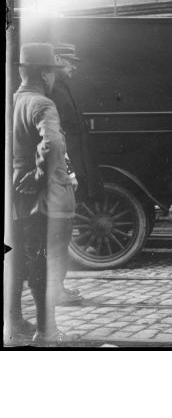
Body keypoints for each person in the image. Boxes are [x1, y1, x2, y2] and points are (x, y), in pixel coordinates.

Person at [5, 43, 76, 345]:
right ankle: (46, 330)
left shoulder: (12, 102)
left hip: (14, 194)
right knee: (41, 260)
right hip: (38, 198)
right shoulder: (43, 104)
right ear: (44, 73)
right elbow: (52, 145)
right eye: (53, 72)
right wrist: (37, 177)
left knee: (16, 259)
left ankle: (15, 323)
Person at [49, 43, 104, 306]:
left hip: (71, 166)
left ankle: (56, 287)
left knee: (62, 230)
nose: (73, 67)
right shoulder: (52, 90)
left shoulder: (61, 87)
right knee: (57, 232)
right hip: (62, 166)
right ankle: (53, 289)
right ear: (57, 60)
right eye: (70, 62)